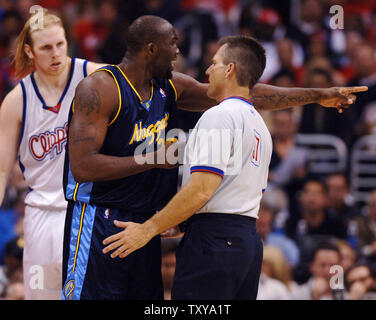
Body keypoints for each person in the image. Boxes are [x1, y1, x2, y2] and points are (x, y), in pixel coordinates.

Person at [65, 15, 367, 300]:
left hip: (147, 221)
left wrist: (316, 95)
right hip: (101, 218)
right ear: (151, 49)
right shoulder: (100, 87)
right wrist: (152, 160)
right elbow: (81, 166)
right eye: (173, 43)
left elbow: (245, 91)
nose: (178, 51)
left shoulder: (172, 87)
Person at [0, 10, 105, 299]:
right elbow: (1, 170)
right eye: (46, 47)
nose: (56, 53)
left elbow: (144, 82)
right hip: (41, 217)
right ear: (29, 51)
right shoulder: (16, 100)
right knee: (43, 295)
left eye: (60, 44)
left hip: (88, 212)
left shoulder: (95, 75)